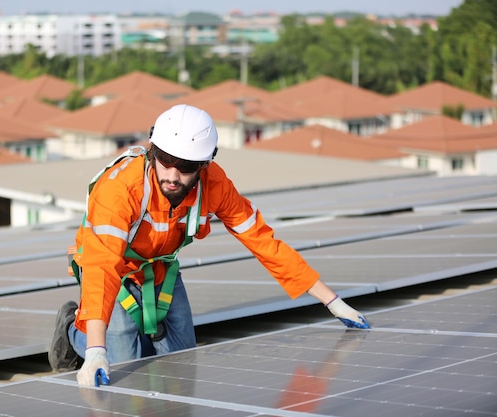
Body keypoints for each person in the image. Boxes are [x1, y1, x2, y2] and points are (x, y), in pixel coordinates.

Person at [49, 104, 370, 387]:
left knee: (181, 360)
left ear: (204, 164)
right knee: (120, 356)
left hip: (160, 269)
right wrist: (94, 352)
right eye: (165, 160)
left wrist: (332, 301)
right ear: (152, 152)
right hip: (111, 268)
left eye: (186, 166)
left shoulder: (214, 185)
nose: (173, 174)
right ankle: (69, 330)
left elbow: (262, 241)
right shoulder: (121, 189)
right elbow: (103, 265)